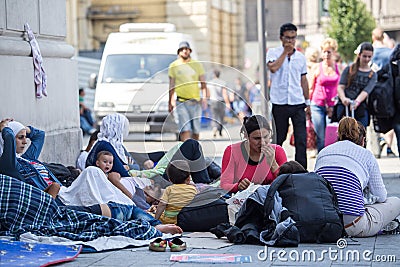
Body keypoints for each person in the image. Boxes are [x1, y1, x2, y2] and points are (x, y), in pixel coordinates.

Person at [314, 117, 400, 237]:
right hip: (352, 226)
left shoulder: (323, 153)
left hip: (323, 223)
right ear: (363, 140)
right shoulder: (366, 155)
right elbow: (381, 196)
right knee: (396, 202)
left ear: (338, 134)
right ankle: (380, 223)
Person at [266, 23, 310, 169]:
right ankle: (274, 167)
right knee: (279, 137)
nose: (291, 41)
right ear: (281, 38)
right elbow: (273, 68)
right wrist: (285, 53)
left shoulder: (301, 58)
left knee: (301, 139)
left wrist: (307, 102)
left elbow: (303, 80)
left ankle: (301, 170)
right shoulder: (273, 52)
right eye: (288, 38)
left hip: (297, 102)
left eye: (293, 38)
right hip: (280, 102)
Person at [220, 115, 287, 193]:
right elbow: (224, 185)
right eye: (257, 138)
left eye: (266, 137)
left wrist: (273, 164)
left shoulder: (278, 151)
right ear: (246, 136)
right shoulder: (232, 151)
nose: (262, 142)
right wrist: (238, 186)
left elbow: (287, 182)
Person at [168, 41, 209, 141]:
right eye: (182, 49)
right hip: (181, 102)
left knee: (196, 130)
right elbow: (171, 85)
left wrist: (204, 99)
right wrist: (170, 102)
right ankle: (185, 153)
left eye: (186, 49)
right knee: (185, 129)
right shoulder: (173, 66)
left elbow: (203, 83)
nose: (185, 51)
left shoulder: (197, 65)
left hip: (195, 102)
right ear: (179, 52)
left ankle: (194, 152)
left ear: (190, 51)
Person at [309, 38, 340, 152]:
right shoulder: (317, 67)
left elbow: (342, 86)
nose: (326, 54)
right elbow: (311, 87)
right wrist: (307, 105)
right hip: (317, 104)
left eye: (329, 51)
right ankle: (321, 159)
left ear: (334, 53)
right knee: (321, 136)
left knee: (332, 135)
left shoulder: (338, 67)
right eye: (324, 51)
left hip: (333, 106)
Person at [336, 42, 377, 128]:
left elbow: (366, 91)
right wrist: (343, 98)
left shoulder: (372, 74)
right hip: (344, 106)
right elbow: (340, 86)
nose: (366, 59)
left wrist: (356, 102)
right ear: (359, 55)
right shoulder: (349, 69)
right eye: (364, 56)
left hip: (360, 108)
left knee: (360, 133)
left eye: (369, 57)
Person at [371, 27, 396, 158]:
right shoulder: (390, 52)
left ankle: (376, 150)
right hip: (389, 90)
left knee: (374, 117)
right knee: (390, 116)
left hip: (373, 90)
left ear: (373, 37)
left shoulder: (370, 52)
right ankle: (389, 146)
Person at [155, 160, 197, 224]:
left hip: (170, 220)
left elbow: (162, 204)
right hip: (187, 219)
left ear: (170, 180)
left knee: (149, 214)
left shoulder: (169, 189)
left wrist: (155, 219)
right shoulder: (193, 189)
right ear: (188, 179)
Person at [208, 69, 230, 137]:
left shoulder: (210, 83)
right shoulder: (222, 83)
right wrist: (227, 103)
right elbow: (224, 93)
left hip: (212, 101)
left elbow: (208, 93)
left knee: (214, 116)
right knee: (221, 117)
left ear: (213, 75)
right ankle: (220, 130)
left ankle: (214, 128)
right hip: (221, 101)